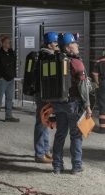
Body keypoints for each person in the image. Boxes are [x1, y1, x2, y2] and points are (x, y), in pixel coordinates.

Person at [52, 33, 92, 175]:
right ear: (68, 47)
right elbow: (83, 87)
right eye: (75, 44)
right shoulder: (76, 63)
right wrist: (87, 106)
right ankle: (76, 166)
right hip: (73, 104)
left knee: (60, 134)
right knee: (75, 135)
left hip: (58, 103)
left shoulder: (54, 61)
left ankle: (57, 166)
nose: (77, 46)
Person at [33, 32, 60, 163]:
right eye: (56, 43)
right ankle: (39, 154)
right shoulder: (47, 57)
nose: (57, 46)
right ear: (50, 44)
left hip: (44, 93)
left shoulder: (45, 55)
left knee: (45, 122)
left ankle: (44, 150)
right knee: (41, 122)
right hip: (43, 94)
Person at [0, 36, 20, 122]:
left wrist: (13, 75)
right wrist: (0, 77)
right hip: (2, 80)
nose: (9, 44)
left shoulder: (11, 52)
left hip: (10, 79)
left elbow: (14, 65)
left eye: (9, 42)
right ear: (3, 44)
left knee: (9, 98)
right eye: (7, 42)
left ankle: (8, 116)